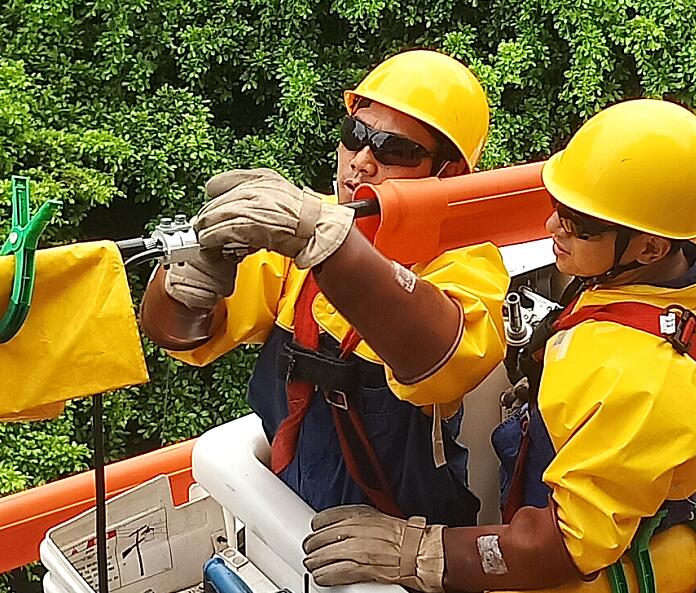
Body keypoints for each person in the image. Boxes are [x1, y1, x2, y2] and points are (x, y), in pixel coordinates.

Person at [301, 98, 696, 591]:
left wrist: (423, 555)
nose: (553, 227)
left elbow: (570, 547)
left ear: (652, 247)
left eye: (580, 224)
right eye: (557, 207)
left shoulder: (644, 376)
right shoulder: (640, 283)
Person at [139, 50, 510, 526]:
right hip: (290, 506)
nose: (361, 161)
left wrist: (333, 248)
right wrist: (186, 282)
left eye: (394, 149)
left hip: (403, 532)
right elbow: (186, 336)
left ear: (450, 174)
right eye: (355, 135)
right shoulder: (296, 223)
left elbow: (444, 360)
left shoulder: (463, 259)